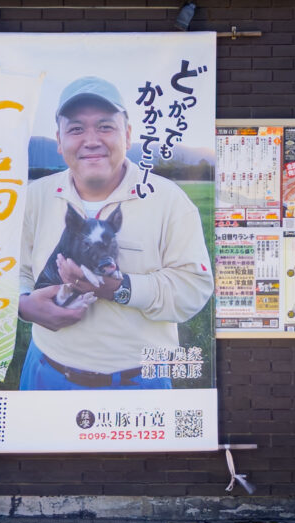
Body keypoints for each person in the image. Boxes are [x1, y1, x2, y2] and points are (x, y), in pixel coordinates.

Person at [17, 76, 214, 390]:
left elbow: (194, 287)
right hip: (45, 371)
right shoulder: (35, 197)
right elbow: (13, 270)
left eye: (105, 126)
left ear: (128, 133)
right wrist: (24, 304)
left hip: (140, 383)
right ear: (59, 139)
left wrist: (119, 289)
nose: (91, 140)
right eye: (76, 128)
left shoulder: (168, 199)